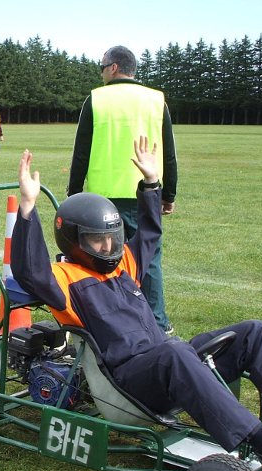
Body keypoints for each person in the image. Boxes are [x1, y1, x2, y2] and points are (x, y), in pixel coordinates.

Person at [11, 136, 262, 470]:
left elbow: (149, 234)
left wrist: (151, 184)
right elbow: (30, 271)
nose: (108, 248)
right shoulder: (65, 280)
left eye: (112, 238)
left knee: (254, 333)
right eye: (97, 242)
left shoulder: (124, 266)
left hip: (166, 366)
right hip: (127, 387)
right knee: (176, 352)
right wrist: (28, 208)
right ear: (73, 241)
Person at [68, 45, 177, 334]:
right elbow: (168, 152)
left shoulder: (96, 99)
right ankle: (158, 322)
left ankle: (106, 319)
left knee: (100, 259)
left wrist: (73, 194)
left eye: (102, 66)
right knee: (150, 260)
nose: (101, 72)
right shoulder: (157, 100)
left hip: (102, 197)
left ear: (114, 67)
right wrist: (169, 194)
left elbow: (81, 151)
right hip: (146, 191)